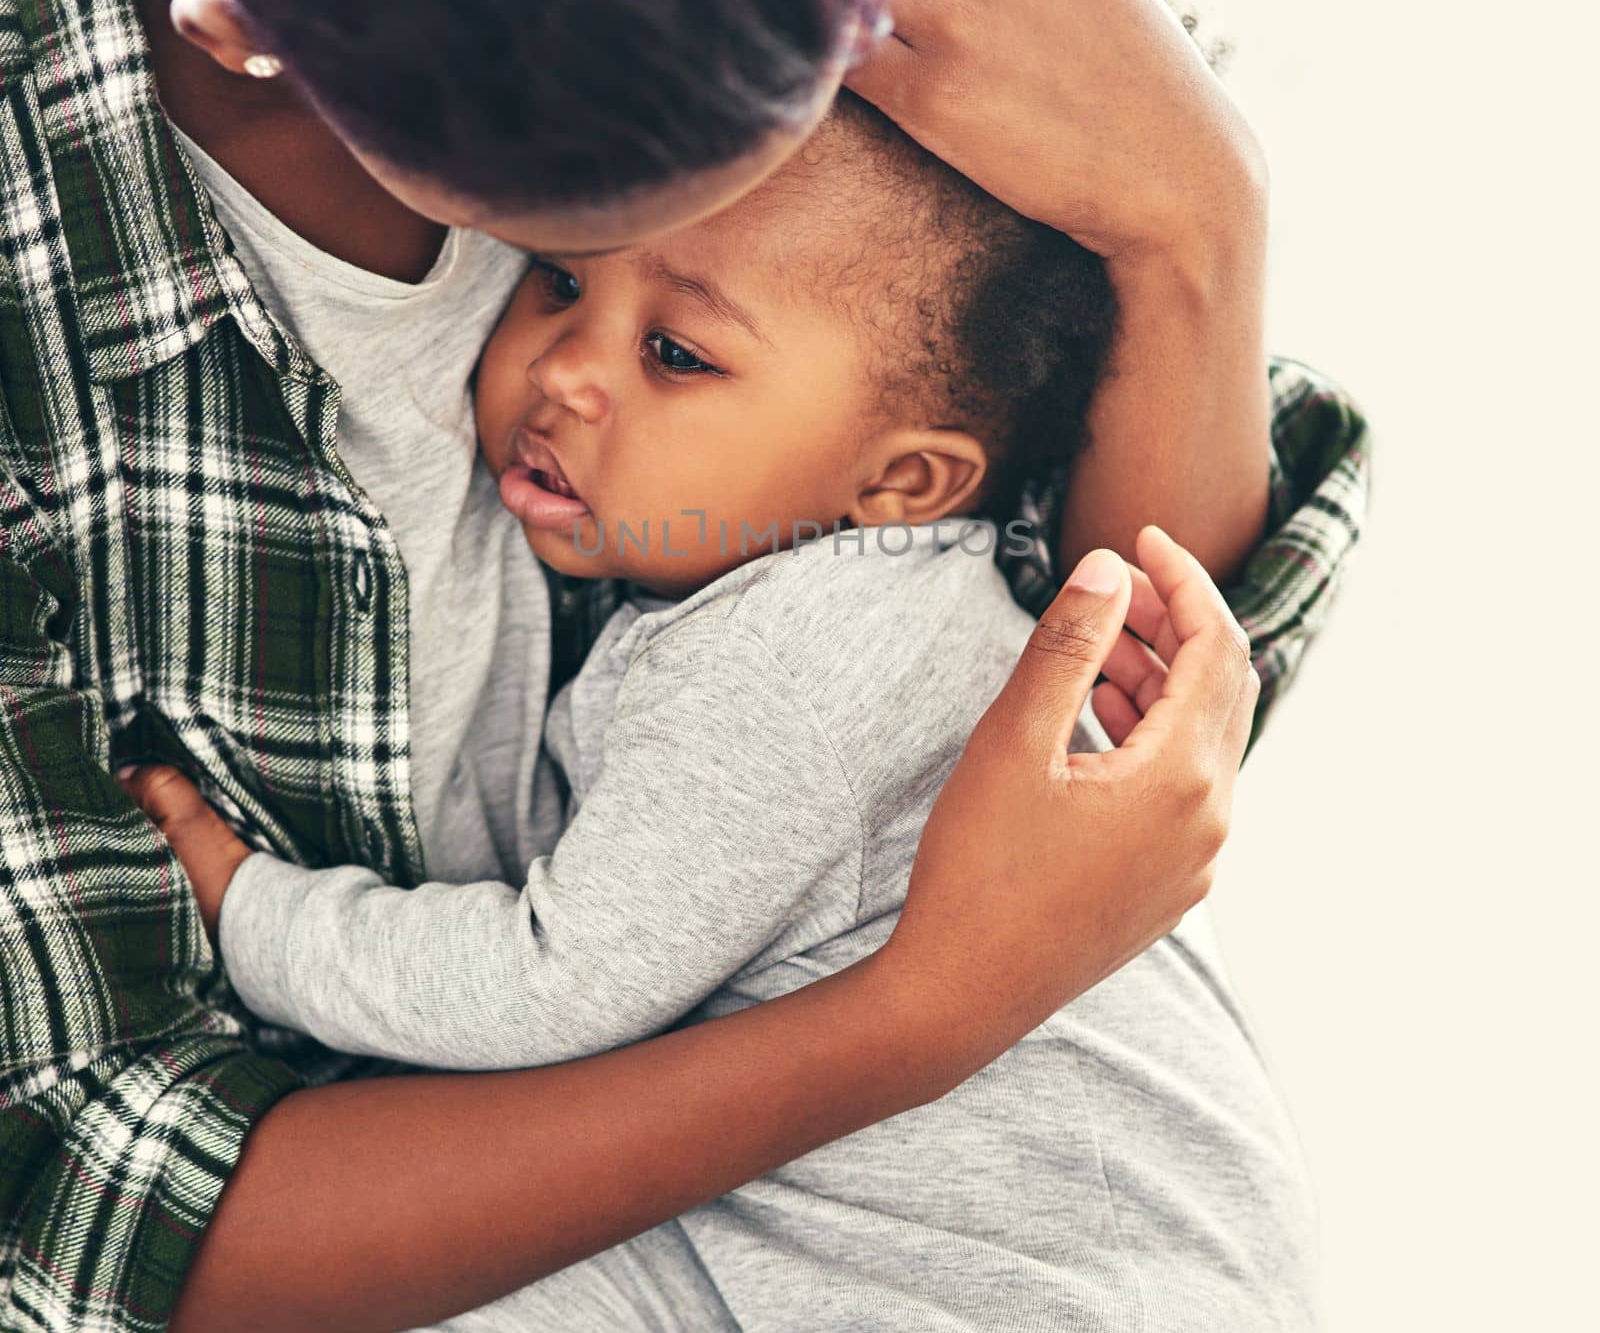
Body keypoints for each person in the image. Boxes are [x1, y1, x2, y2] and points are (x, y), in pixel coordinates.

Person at [0, 0, 1367, 1330]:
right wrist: (916, 1015)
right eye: (570, 258)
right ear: (263, 27)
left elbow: (1117, 671)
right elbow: (94, 1221)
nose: (569, 365)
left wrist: (1187, 213)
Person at [134, 93, 1319, 1330]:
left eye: (678, 354)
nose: (565, 371)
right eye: (554, 280)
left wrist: (249, 908)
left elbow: (544, 984)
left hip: (1027, 1285)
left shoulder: (794, 664)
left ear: (901, 481)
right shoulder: (824, 590)